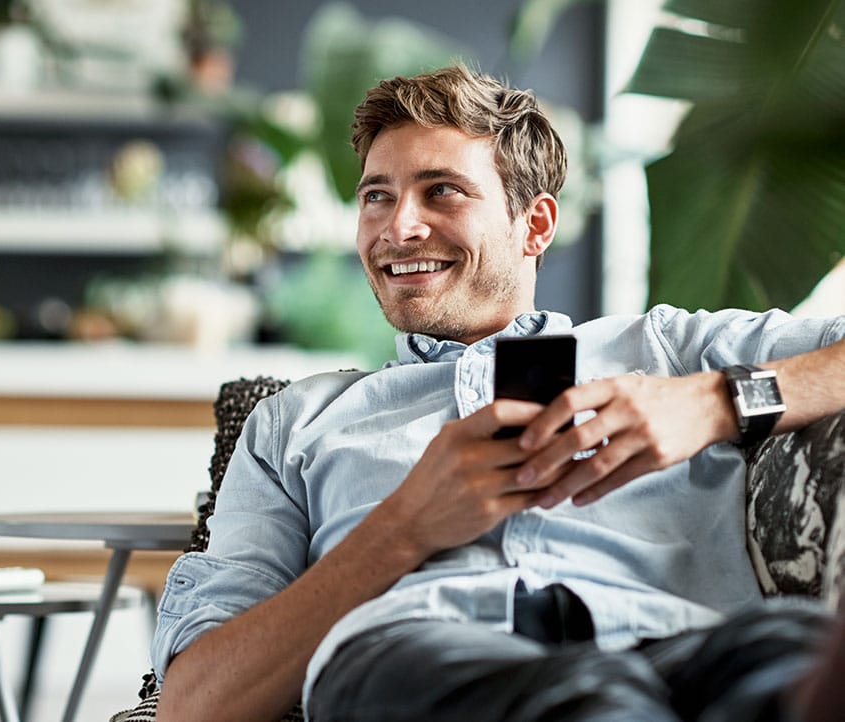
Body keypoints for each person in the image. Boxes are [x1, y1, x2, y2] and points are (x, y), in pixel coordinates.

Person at [150, 64, 845, 722]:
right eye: (376, 196)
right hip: (425, 648)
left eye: (441, 190)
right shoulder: (291, 425)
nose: (398, 228)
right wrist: (404, 527)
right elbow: (196, 702)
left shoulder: (664, 351)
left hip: (684, 638)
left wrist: (718, 402)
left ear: (535, 225)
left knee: (792, 652)